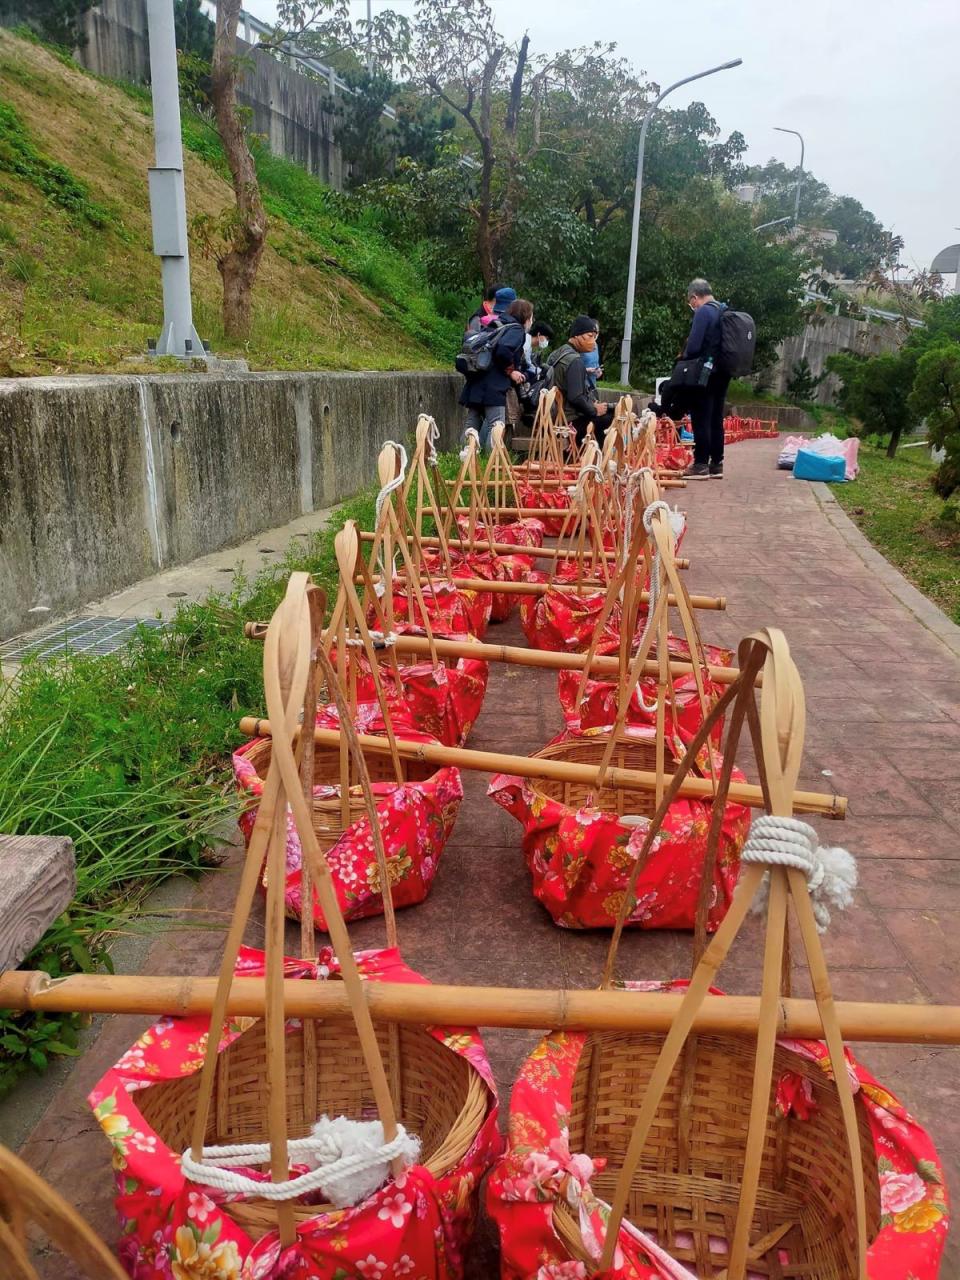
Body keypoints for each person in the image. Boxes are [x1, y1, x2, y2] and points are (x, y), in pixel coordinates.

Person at [459, 297, 533, 449]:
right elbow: (503, 350)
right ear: (525, 317)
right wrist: (511, 371)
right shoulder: (516, 330)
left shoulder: (496, 324)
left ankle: (462, 458)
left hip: (477, 380)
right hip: (494, 385)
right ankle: (490, 465)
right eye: (531, 317)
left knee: (472, 424)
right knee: (496, 426)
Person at [682, 278, 730, 480]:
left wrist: (684, 357)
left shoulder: (703, 312)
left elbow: (693, 347)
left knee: (701, 415)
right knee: (716, 416)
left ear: (695, 297)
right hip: (723, 371)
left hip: (705, 371)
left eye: (690, 302)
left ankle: (700, 463)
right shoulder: (724, 310)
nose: (692, 306)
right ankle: (716, 463)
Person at [545, 315, 614, 447]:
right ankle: (592, 460)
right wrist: (595, 410)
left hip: (552, 415)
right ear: (577, 335)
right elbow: (576, 397)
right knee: (608, 419)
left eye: (594, 337)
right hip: (567, 421)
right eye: (590, 336)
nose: (593, 341)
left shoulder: (557, 353)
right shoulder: (574, 361)